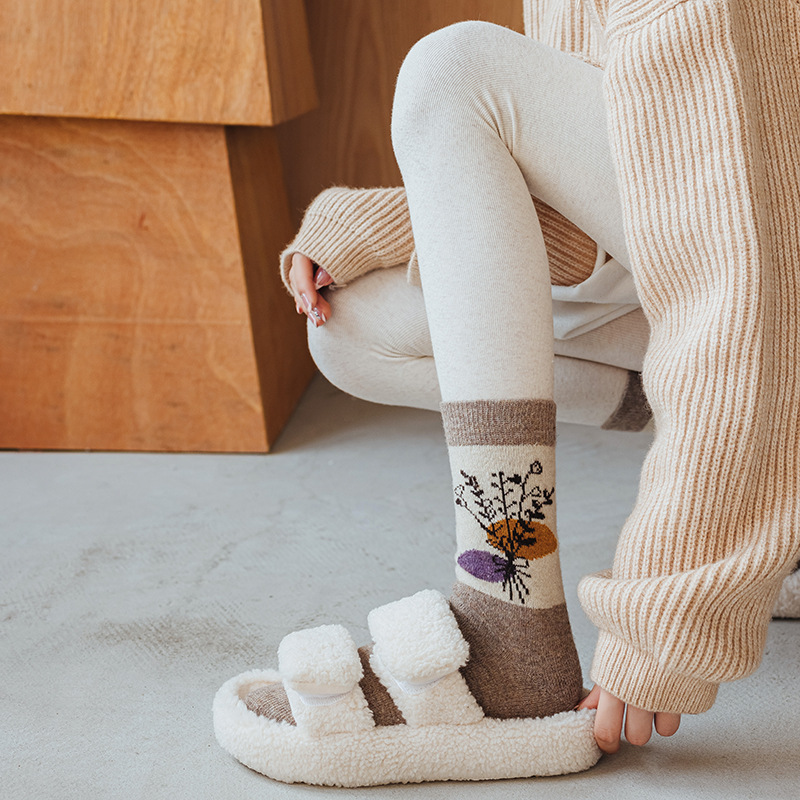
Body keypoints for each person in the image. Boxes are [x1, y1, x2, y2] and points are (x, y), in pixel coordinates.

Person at [213, 1, 800, 787]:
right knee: (351, 329)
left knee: (454, 70)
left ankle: (509, 620)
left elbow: (751, 278)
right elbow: (644, 152)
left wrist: (671, 605)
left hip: (769, 275)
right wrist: (389, 222)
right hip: (724, 238)